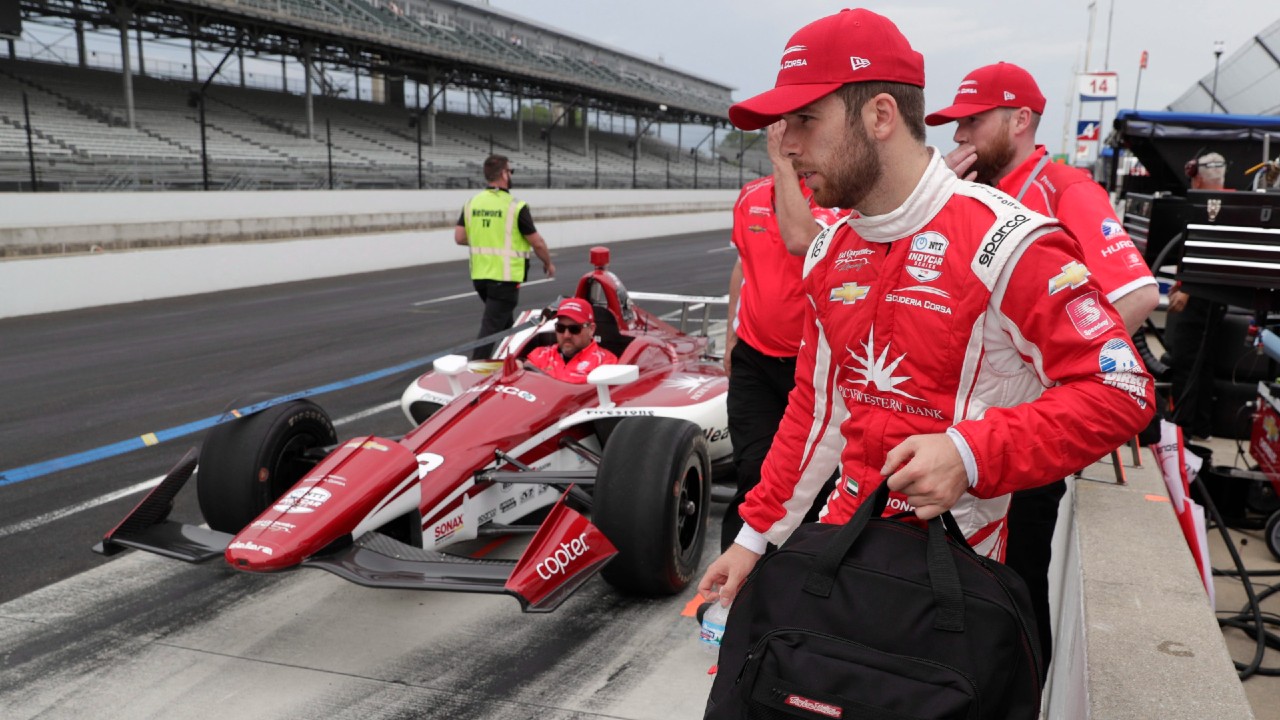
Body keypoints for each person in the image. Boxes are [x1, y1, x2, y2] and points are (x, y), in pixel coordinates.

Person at [697, 9, 1154, 617]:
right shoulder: (832, 247)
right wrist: (755, 537)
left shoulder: (1009, 241)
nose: (789, 142)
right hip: (843, 551)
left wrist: (971, 453)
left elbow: (1122, 388)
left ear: (881, 115)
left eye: (805, 118)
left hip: (955, 581)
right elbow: (818, 410)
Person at [924, 61, 1160, 668]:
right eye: (956, 125)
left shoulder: (1064, 186)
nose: (961, 138)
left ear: (1020, 120)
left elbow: (1137, 293)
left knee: (1015, 589)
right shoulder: (978, 193)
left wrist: (1051, 373)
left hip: (1026, 437)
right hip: (968, 436)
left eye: (973, 122)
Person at [721, 122, 849, 551]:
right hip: (754, 361)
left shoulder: (836, 202)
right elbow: (743, 265)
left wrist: (781, 166)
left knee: (811, 485)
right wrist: (729, 339)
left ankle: (792, 589)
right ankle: (726, 603)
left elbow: (802, 241)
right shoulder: (749, 198)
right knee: (753, 476)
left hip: (810, 370)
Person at [455, 155, 555, 359]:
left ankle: (515, 360)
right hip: (505, 278)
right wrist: (548, 263)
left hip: (480, 277)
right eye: (510, 171)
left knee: (507, 323)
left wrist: (488, 239)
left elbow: (460, 237)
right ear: (503, 174)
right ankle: (476, 369)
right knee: (491, 328)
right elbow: (537, 242)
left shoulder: (472, 203)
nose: (510, 175)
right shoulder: (515, 206)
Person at [1165, 152, 1229, 438]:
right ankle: (1198, 426)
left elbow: (1212, 253)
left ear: (1198, 178)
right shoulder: (1226, 204)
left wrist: (1188, 289)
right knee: (1201, 364)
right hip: (1208, 297)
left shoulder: (1214, 207)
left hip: (1202, 298)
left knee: (1187, 362)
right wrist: (1182, 283)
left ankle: (1183, 427)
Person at [524, 298, 617, 383]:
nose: (566, 335)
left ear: (591, 329)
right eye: (560, 328)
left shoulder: (605, 363)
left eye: (574, 329)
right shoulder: (539, 355)